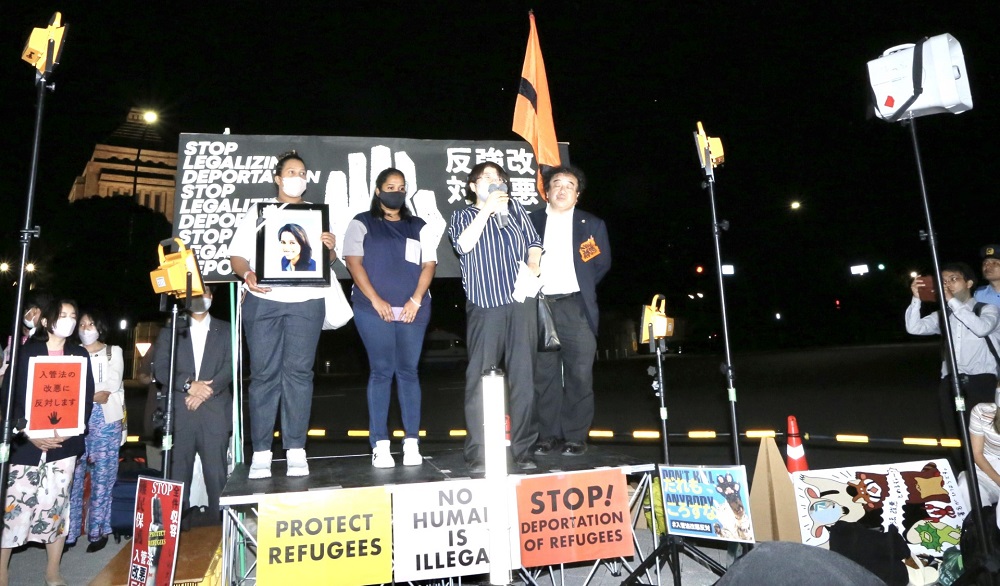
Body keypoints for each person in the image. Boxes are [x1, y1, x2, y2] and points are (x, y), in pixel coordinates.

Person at [229, 150, 336, 479]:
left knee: (300, 375)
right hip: (264, 301)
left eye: (302, 173)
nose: (297, 177)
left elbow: (325, 265)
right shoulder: (258, 214)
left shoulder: (317, 218)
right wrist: (247, 273)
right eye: (291, 172)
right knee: (264, 375)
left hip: (307, 302)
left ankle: (295, 449)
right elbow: (237, 256)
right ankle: (261, 451)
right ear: (278, 178)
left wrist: (328, 248)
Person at [448, 162, 543, 473]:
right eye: (487, 177)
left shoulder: (514, 208)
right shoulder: (462, 215)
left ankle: (524, 449)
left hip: (520, 301)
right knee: (479, 378)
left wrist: (532, 263)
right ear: (473, 186)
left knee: (524, 376)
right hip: (485, 303)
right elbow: (463, 244)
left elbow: (534, 243)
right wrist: (486, 210)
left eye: (499, 177)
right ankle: (478, 451)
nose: (495, 182)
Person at [344, 168, 436, 468]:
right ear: (378, 190)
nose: (396, 191)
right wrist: (376, 299)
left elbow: (429, 264)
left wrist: (415, 300)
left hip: (414, 309)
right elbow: (353, 263)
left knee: (408, 372)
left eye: (401, 187)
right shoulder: (362, 222)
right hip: (373, 310)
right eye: (390, 186)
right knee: (381, 372)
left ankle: (411, 442)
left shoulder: (419, 225)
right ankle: (380, 444)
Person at [0, 299, 95, 586]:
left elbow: (85, 399)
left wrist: (70, 430)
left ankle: (53, 570)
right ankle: (2, 572)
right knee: (13, 508)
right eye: (61, 315)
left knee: (55, 508)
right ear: (46, 321)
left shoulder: (79, 355)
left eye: (72, 316)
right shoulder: (25, 353)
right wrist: (27, 430)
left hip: (62, 445)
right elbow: (8, 399)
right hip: (26, 445)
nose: (67, 320)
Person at [529, 166, 611, 457]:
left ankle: (575, 436)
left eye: (569, 185)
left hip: (576, 307)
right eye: (556, 184)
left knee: (579, 374)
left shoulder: (591, 224)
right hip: (540, 307)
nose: (562, 190)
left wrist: (580, 288)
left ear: (577, 194)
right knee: (543, 376)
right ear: (546, 191)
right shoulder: (531, 221)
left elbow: (599, 266)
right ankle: (547, 435)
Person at [153, 288, 232, 524]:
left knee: (217, 475)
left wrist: (204, 391)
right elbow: (161, 368)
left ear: (212, 297)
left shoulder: (227, 329)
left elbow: (232, 365)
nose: (201, 297)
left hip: (214, 412)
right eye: (196, 292)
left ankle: (220, 529)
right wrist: (189, 386)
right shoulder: (172, 330)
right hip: (180, 412)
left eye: (205, 292)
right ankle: (176, 530)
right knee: (178, 476)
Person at [907, 262, 1000, 444]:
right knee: (954, 434)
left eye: (954, 279)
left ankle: (986, 472)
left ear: (969, 283)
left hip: (981, 382)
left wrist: (952, 301)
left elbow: (981, 329)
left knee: (987, 436)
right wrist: (916, 298)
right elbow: (914, 328)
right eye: (943, 281)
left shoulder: (988, 309)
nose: (947, 284)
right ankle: (962, 471)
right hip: (950, 382)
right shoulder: (942, 315)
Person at [67, 310, 124, 553]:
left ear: (100, 327)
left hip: (106, 421)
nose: (86, 328)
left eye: (91, 323)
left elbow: (112, 384)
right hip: (75, 420)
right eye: (82, 323)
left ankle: (97, 530)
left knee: (103, 477)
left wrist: (81, 394)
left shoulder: (114, 351)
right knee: (73, 477)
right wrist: (90, 395)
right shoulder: (72, 351)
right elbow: (67, 386)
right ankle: (69, 532)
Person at [959, 393, 1000, 507]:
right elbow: (977, 453)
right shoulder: (982, 411)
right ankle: (977, 524)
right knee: (967, 485)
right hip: (987, 468)